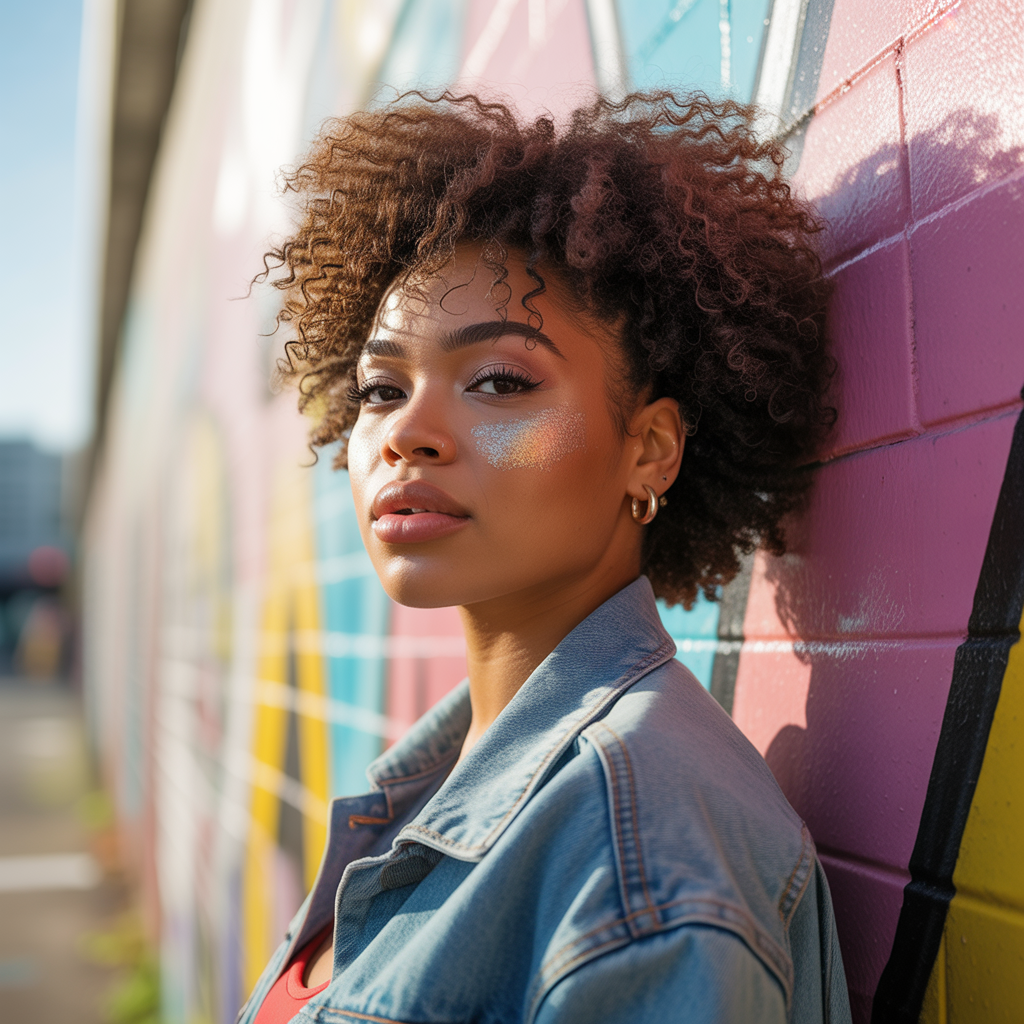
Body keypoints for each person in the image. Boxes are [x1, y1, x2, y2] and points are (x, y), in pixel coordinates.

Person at [241, 91, 851, 1024]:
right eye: (381, 386)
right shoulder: (426, 783)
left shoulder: (638, 869)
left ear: (649, 449)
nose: (406, 433)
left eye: (498, 380)